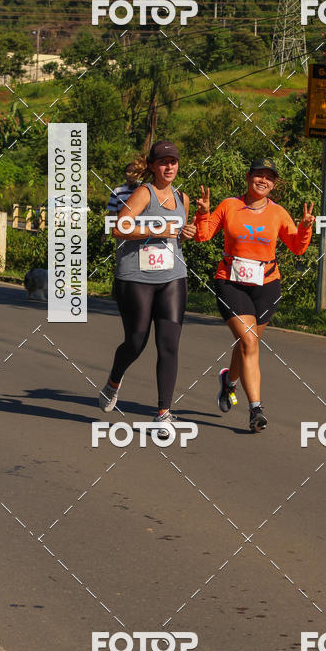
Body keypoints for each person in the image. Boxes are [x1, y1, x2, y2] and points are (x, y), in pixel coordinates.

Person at [194, 157, 315, 433]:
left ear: (274, 184)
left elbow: (297, 248)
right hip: (231, 282)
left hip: (267, 285)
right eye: (258, 175)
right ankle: (255, 410)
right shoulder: (229, 206)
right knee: (249, 342)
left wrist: (305, 228)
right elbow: (203, 235)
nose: (263, 180)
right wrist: (203, 213)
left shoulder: (279, 213)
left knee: (247, 343)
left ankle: (229, 382)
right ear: (248, 177)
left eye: (269, 177)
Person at [99, 140, 196, 435]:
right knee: (136, 341)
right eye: (163, 162)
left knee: (169, 344)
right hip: (135, 276)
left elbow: (177, 234)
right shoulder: (143, 193)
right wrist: (157, 229)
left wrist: (186, 231)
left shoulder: (183, 197)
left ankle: (163, 412)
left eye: (174, 161)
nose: (169, 166)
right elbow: (119, 228)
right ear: (152, 166)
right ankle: (114, 381)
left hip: (172, 276)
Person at [102, 163, 140, 244]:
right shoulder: (117, 191)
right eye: (128, 171)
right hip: (123, 231)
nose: (131, 174)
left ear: (139, 174)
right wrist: (106, 232)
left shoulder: (143, 190)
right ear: (124, 174)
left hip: (141, 230)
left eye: (134, 172)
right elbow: (112, 214)